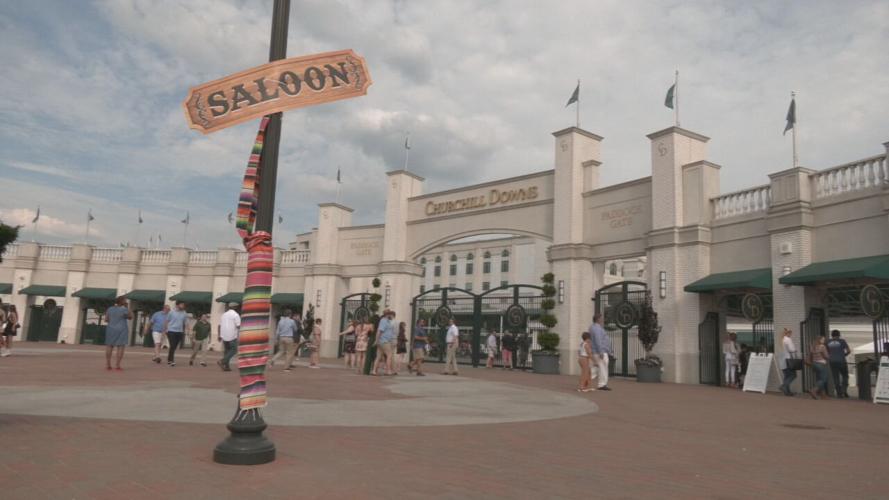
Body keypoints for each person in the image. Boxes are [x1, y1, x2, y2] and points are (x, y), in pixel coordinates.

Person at [104, 296, 132, 370]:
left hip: (110, 329)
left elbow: (106, 319)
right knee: (120, 346)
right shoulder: (124, 309)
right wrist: (127, 308)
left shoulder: (110, 309)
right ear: (122, 301)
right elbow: (130, 317)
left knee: (109, 346)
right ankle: (117, 365)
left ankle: (108, 364)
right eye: (125, 300)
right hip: (122, 329)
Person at [589, 313, 613, 391]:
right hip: (600, 352)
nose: (603, 319)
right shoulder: (596, 328)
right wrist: (601, 351)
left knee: (597, 367)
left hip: (598, 351)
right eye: (602, 318)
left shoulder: (594, 327)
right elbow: (598, 340)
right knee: (603, 367)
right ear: (598, 319)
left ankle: (586, 378)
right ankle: (602, 384)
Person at [826, 329, 851, 398]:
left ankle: (839, 393)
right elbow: (849, 351)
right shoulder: (842, 341)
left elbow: (826, 352)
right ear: (839, 335)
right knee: (845, 376)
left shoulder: (827, 342)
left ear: (832, 335)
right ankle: (844, 391)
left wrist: (830, 357)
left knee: (835, 377)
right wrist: (844, 355)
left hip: (832, 361)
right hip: (841, 361)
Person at [163, 301, 188, 367]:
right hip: (171, 331)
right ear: (177, 305)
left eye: (183, 305)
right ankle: (171, 360)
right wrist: (165, 330)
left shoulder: (184, 313)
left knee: (174, 347)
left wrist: (189, 330)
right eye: (181, 304)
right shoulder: (171, 312)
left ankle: (169, 359)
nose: (183, 306)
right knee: (172, 345)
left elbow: (186, 322)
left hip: (180, 332)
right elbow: (166, 321)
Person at [217, 302, 240, 371]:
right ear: (235, 307)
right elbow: (238, 325)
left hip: (224, 335)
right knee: (234, 350)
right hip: (232, 336)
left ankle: (226, 367)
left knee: (226, 351)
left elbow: (219, 326)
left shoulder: (224, 314)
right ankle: (222, 361)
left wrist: (219, 335)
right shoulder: (236, 315)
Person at [374, 310, 397, 375]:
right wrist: (376, 340)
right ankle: (388, 371)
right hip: (384, 341)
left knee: (378, 356)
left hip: (384, 340)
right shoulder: (383, 321)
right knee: (389, 355)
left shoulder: (387, 321)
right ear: (388, 314)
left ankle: (374, 371)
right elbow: (379, 331)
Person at [808, 335, 830, 400]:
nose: (824, 341)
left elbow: (811, 356)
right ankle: (814, 390)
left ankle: (823, 395)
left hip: (814, 364)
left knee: (819, 379)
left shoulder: (813, 346)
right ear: (819, 340)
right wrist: (829, 356)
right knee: (824, 379)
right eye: (823, 339)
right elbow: (826, 356)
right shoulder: (822, 346)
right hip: (821, 364)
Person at [779, 327, 799, 396]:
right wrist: (795, 350)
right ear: (788, 333)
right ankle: (783, 386)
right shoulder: (788, 339)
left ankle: (787, 392)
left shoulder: (782, 339)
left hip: (783, 359)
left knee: (786, 376)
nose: (791, 334)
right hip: (789, 359)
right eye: (790, 332)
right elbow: (791, 349)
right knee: (793, 375)